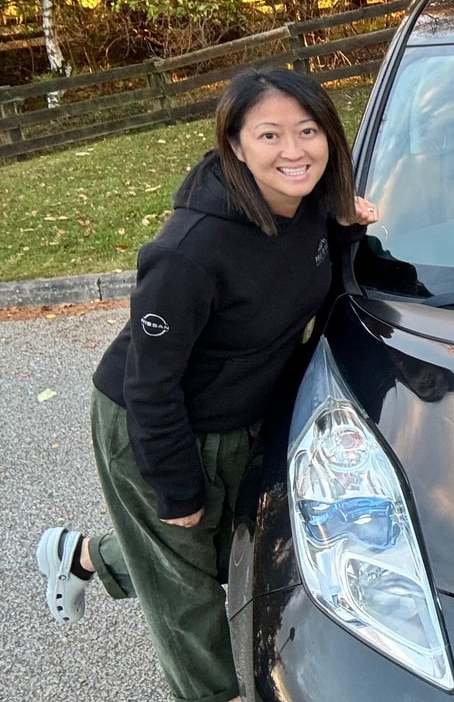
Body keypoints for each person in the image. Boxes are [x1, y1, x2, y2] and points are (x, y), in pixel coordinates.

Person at [35, 67, 378, 702]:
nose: (293, 150)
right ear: (236, 144)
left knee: (230, 556)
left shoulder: (310, 213)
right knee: (188, 599)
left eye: (307, 130)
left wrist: (348, 231)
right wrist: (174, 486)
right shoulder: (188, 252)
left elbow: (314, 292)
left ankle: (85, 557)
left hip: (240, 416)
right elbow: (149, 384)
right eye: (269, 134)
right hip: (159, 424)